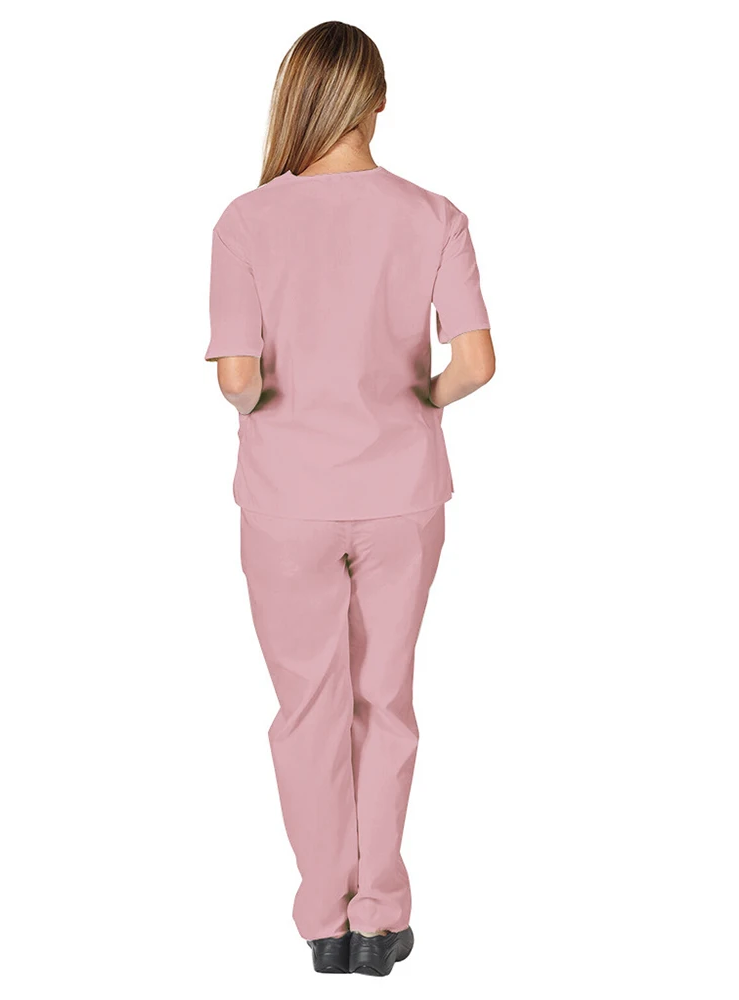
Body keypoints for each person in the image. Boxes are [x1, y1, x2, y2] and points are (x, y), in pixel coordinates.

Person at [205, 21, 496, 977]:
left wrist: (265, 401)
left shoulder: (246, 222)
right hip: (402, 492)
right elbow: (476, 363)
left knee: (308, 709)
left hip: (286, 498)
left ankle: (323, 920)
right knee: (386, 699)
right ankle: (382, 915)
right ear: (377, 102)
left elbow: (237, 379)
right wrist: (424, 398)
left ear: (298, 100)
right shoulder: (434, 215)